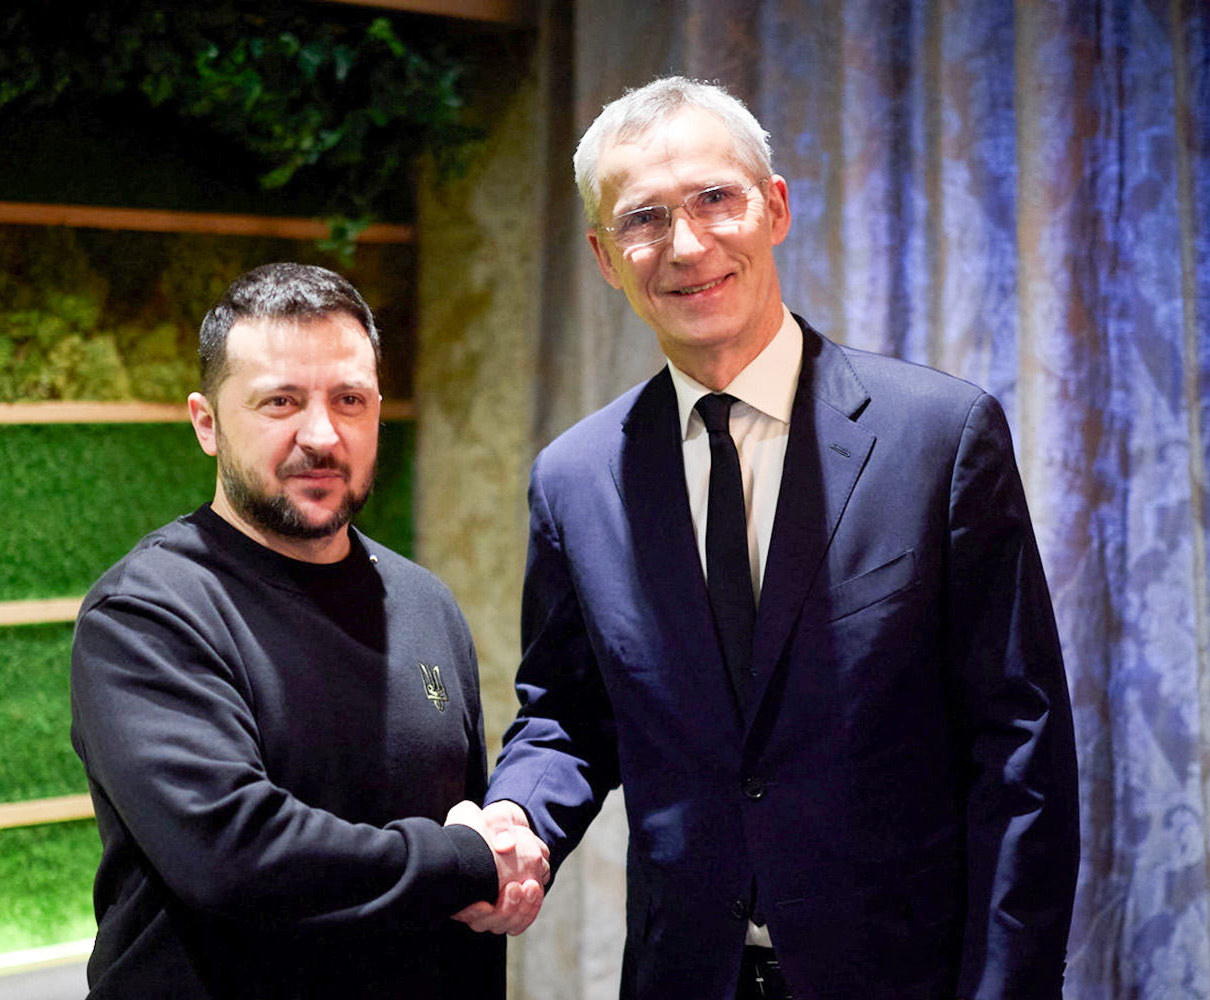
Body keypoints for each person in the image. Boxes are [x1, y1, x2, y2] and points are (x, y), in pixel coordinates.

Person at [454, 77, 1079, 999]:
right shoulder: (577, 477)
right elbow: (567, 713)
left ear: (774, 207)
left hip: (905, 973)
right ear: (603, 255)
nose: (688, 244)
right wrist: (515, 817)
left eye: (716, 198)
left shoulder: (939, 437)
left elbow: (1021, 749)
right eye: (644, 218)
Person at [69, 262, 548, 999]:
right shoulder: (148, 614)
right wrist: (467, 861)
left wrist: (484, 865)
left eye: (349, 400)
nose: (321, 434)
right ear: (207, 422)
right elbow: (233, 856)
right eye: (280, 401)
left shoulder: (424, 604)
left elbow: (462, 871)